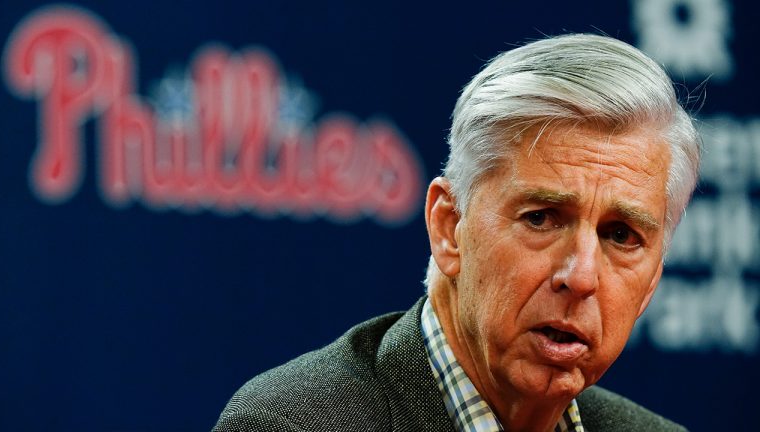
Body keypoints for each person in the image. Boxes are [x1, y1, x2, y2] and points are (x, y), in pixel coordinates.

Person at [213, 33, 700, 432]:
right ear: (449, 227)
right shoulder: (293, 423)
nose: (582, 276)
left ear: (653, 279)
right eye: (541, 218)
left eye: (620, 236)